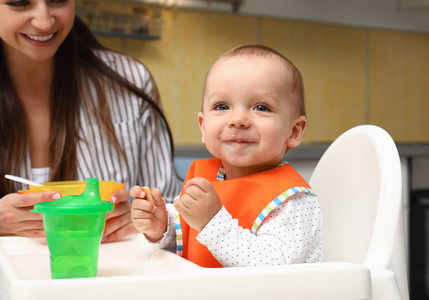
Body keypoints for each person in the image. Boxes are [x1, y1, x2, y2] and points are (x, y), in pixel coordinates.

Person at [0, 0, 180, 241]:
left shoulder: (130, 82)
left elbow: (173, 211)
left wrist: (152, 220)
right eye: (18, 2)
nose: (44, 22)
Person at [130, 44, 323, 267]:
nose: (238, 119)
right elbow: (195, 248)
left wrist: (212, 222)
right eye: (222, 106)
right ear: (203, 126)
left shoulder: (293, 199)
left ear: (294, 131)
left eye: (261, 107)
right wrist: (161, 227)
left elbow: (273, 268)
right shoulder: (206, 178)